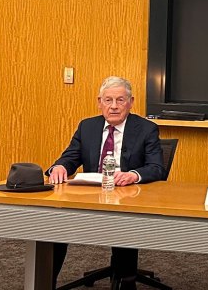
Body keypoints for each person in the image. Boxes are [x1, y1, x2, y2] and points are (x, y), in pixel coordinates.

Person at [47, 76, 165, 288]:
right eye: (108, 100)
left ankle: (125, 282)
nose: (113, 107)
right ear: (99, 102)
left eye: (120, 100)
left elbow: (156, 168)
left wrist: (133, 175)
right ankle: (46, 283)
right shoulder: (87, 126)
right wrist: (60, 166)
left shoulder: (147, 129)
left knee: (124, 224)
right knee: (54, 223)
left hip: (128, 199)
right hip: (90, 197)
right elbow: (70, 156)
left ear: (131, 102)